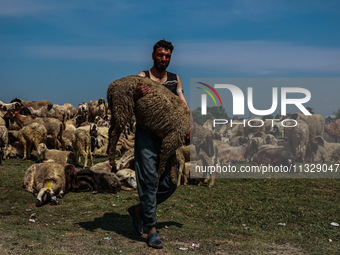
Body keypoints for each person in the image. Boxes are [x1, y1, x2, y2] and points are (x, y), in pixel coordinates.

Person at [128, 39, 189, 249]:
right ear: (153, 55)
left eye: (167, 56)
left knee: (170, 183)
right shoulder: (143, 77)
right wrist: (136, 94)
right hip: (146, 135)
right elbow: (131, 102)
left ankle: (138, 211)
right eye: (161, 55)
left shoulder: (174, 79)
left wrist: (188, 125)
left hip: (166, 138)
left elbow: (182, 105)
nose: (164, 59)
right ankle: (151, 228)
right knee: (148, 180)